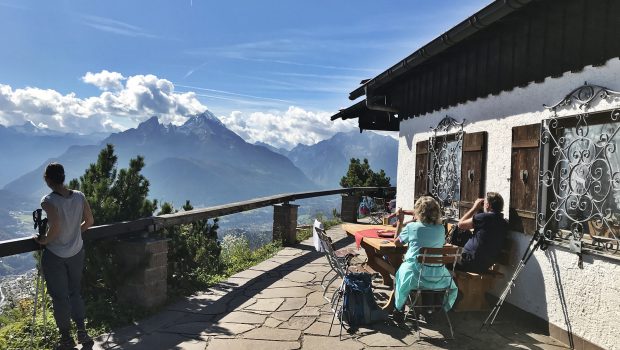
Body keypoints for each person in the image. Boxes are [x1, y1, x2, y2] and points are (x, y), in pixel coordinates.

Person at [34, 163, 94, 350]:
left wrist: (44, 241)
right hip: (77, 252)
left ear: (48, 179)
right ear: (63, 177)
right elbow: (90, 221)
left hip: (56, 255)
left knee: (60, 297)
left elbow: (56, 226)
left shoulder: (48, 200)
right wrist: (75, 232)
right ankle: (82, 332)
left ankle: (66, 338)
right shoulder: (79, 196)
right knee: (75, 292)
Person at [392, 196, 458, 315]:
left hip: (416, 276)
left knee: (399, 272)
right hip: (437, 276)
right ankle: (429, 309)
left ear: (418, 211)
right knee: (419, 266)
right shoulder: (440, 229)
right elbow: (441, 244)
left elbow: (396, 242)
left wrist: (399, 221)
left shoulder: (411, 227)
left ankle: (398, 309)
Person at [455, 192, 508, 273]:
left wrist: (474, 208)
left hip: (470, 261)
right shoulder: (503, 222)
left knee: (445, 261)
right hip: (486, 264)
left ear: (487, 205)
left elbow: (460, 224)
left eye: (484, 203)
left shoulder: (484, 217)